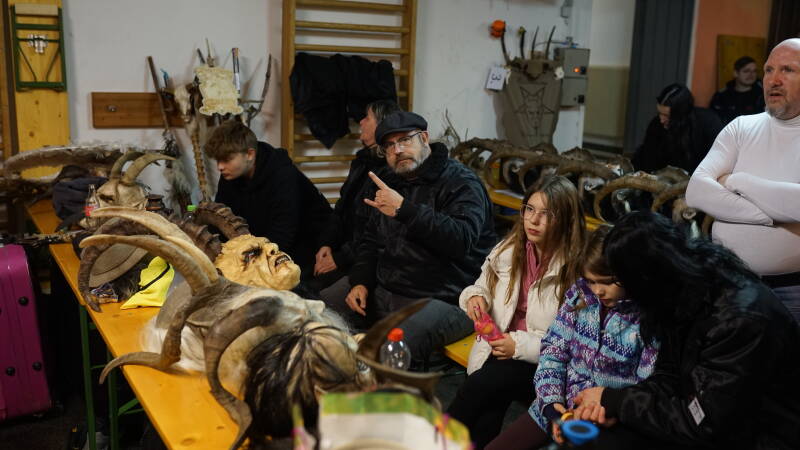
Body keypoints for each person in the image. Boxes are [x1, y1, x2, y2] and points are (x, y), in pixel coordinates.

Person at [570, 211, 800, 450]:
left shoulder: (738, 320)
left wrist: (617, 401)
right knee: (596, 434)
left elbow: (702, 422)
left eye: (620, 281)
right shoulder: (684, 291)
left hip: (763, 435)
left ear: (645, 279)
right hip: (716, 423)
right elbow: (669, 377)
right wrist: (613, 405)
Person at [319, 111, 496, 368]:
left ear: (424, 138)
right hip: (388, 288)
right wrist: (361, 282)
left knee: (393, 351)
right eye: (389, 145)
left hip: (448, 297)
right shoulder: (388, 181)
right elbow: (370, 241)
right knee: (319, 312)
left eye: (405, 140)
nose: (398, 150)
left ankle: (382, 389)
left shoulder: (461, 182)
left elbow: (461, 240)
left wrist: (405, 210)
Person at [484, 225, 658, 450]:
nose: (598, 291)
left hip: (605, 421)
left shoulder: (647, 319)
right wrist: (552, 405)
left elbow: (646, 387)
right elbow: (553, 351)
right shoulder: (579, 296)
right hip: (558, 407)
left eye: (607, 281)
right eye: (591, 281)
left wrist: (603, 410)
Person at [446, 175, 587, 449]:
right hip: (498, 349)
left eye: (546, 214)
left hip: (546, 365)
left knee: (482, 385)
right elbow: (483, 282)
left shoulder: (576, 268)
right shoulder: (511, 247)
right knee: (488, 401)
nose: (533, 220)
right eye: (529, 209)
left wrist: (519, 346)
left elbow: (576, 344)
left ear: (566, 220)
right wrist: (476, 296)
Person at [686, 38, 800, 322]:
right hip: (727, 281)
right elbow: (697, 191)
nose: (773, 80)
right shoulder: (741, 127)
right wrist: (772, 217)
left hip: (791, 290)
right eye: (769, 70)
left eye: (787, 70)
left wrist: (737, 181)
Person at [205, 121, 332, 274]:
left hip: (309, 250)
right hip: (268, 246)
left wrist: (243, 263)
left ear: (250, 154)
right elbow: (222, 219)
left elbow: (283, 235)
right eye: (218, 160)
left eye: (226, 160)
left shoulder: (283, 175)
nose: (220, 167)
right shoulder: (230, 175)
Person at [312, 99, 402, 290]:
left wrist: (340, 259)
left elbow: (376, 231)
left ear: (381, 126)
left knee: (315, 291)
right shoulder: (361, 161)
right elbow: (341, 208)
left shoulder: (392, 171)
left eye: (367, 118)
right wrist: (327, 244)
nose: (360, 121)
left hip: (366, 261)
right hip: (345, 251)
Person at [632, 83, 723, 173]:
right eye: (660, 113)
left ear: (681, 114)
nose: (661, 120)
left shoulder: (708, 124)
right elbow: (647, 159)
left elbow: (716, 160)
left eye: (667, 115)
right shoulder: (656, 125)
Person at [709, 56, 765, 125]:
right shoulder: (721, 96)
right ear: (735, 73)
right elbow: (713, 121)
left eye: (754, 71)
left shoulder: (763, 95)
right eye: (746, 71)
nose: (751, 74)